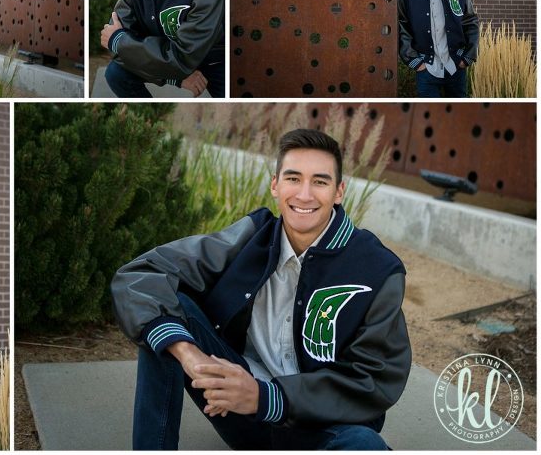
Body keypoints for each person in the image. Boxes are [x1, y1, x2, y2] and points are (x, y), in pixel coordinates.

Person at [111, 129, 411, 450]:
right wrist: (189, 354)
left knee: (365, 445)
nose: (304, 195)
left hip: (323, 430)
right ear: (275, 185)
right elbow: (141, 275)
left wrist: (265, 397)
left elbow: (373, 379)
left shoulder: (377, 269)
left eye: (320, 182)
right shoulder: (251, 238)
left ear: (339, 191)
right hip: (240, 411)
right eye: (293, 178)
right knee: (164, 315)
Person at [398, 0, 479, 98]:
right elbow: (401, 23)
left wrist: (467, 57)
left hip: (455, 66)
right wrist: (415, 61)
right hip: (426, 68)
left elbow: (470, 20)